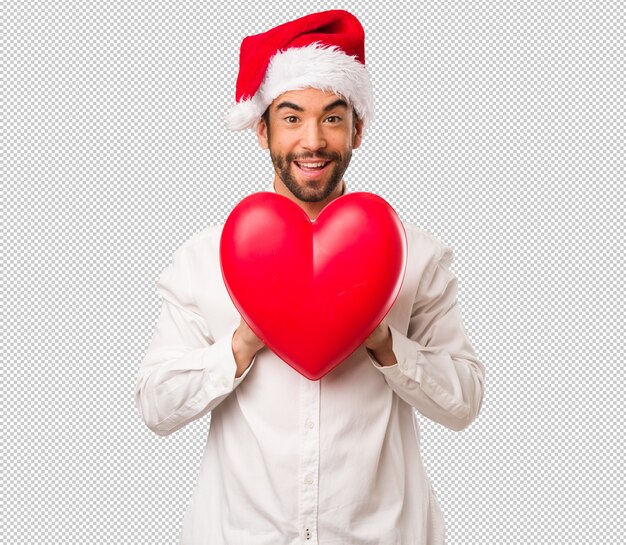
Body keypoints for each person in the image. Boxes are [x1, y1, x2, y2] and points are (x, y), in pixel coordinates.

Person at [134, 10, 485, 545]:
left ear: (357, 129)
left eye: (333, 118)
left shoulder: (416, 257)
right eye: (292, 118)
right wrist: (247, 339)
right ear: (262, 129)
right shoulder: (203, 260)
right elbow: (155, 408)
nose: (313, 142)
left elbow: (464, 404)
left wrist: (383, 340)